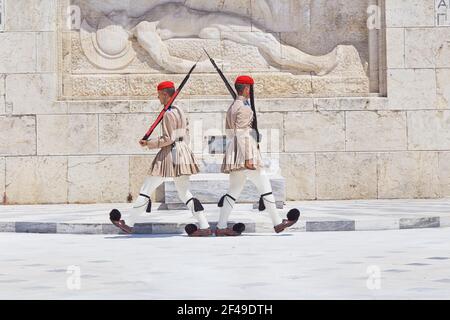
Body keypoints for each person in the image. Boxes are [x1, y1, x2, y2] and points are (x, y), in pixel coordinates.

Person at [109, 81, 212, 237]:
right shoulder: (180, 110)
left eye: (159, 95)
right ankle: (204, 225)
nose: (158, 98)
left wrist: (149, 143)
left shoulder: (169, 113)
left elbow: (168, 138)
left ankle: (129, 224)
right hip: (182, 151)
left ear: (165, 94)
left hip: (170, 154)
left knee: (146, 190)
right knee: (185, 193)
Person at [216, 75, 300, 236]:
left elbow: (230, 132)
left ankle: (221, 226)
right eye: (250, 89)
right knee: (265, 188)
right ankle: (277, 223)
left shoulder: (232, 106)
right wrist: (248, 157)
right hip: (245, 154)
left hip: (234, 152)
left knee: (233, 191)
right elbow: (242, 133)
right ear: (247, 88)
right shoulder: (245, 108)